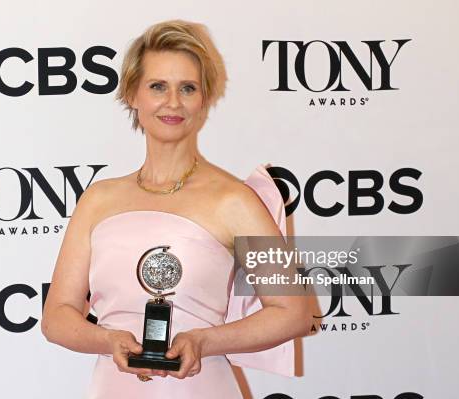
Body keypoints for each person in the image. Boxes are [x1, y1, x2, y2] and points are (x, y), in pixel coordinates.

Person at [41, 20, 311, 398]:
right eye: (157, 87)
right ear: (133, 94)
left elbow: (293, 312)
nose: (172, 102)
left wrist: (203, 342)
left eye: (187, 88)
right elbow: (57, 317)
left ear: (204, 99)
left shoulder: (235, 201)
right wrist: (108, 340)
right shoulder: (98, 200)